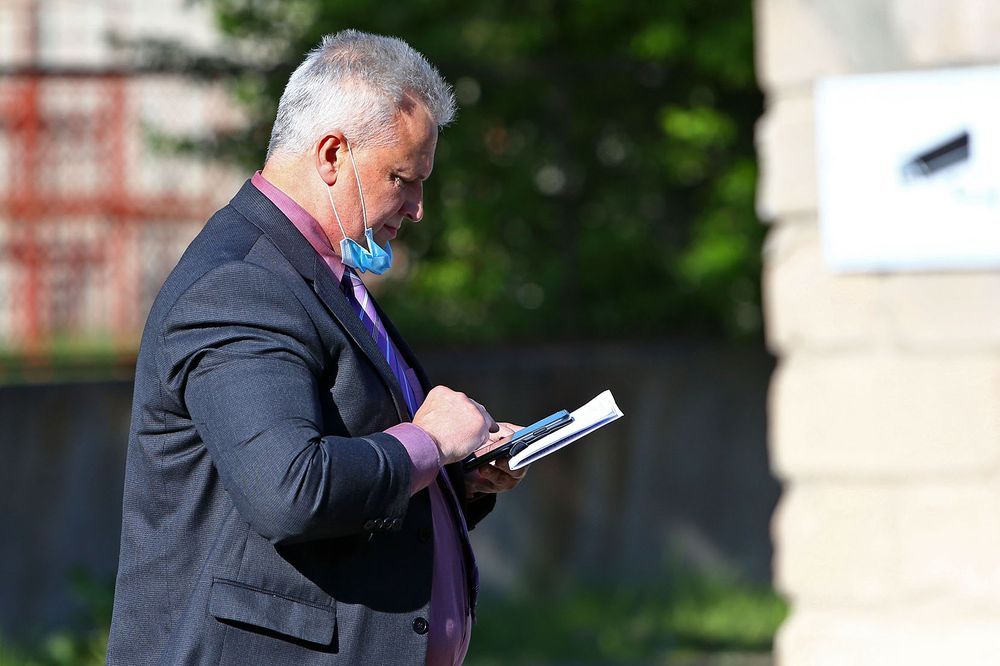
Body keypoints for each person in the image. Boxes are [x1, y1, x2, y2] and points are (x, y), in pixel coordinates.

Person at [106, 30, 524, 666]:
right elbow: (290, 491)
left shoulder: (314, 273)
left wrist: (456, 477)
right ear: (332, 155)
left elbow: (345, 463)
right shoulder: (243, 284)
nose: (417, 208)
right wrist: (430, 443)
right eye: (402, 178)